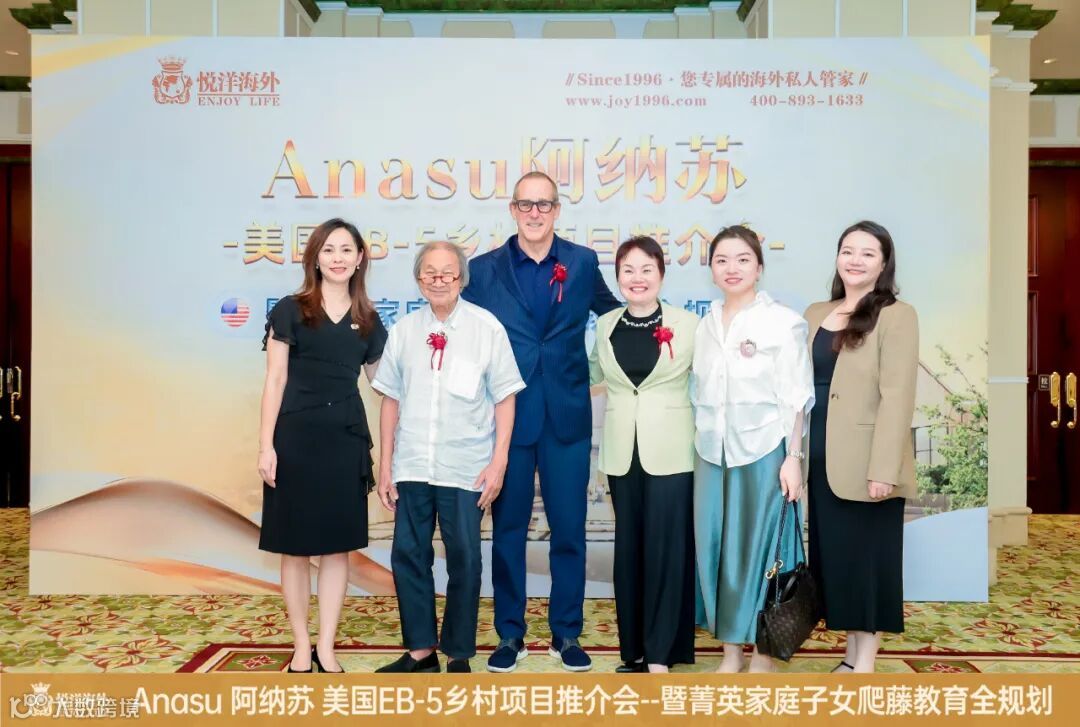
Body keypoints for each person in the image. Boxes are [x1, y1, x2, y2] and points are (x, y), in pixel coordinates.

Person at [462, 171, 620, 672]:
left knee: (569, 530)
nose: (535, 213)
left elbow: (613, 316)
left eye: (544, 204)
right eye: (526, 205)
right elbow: (464, 333)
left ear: (557, 210)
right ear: (512, 209)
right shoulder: (482, 270)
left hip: (567, 416)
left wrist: (660, 330)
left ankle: (566, 634)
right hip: (507, 421)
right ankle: (510, 634)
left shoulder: (581, 262)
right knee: (508, 531)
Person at [372, 241, 524, 674]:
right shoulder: (404, 330)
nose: (439, 281)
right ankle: (421, 650)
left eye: (448, 273)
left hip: (466, 467)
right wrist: (386, 465)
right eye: (430, 273)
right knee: (408, 556)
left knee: (466, 560)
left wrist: (498, 462)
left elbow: (505, 397)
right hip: (413, 464)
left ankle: (458, 652)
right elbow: (390, 399)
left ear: (462, 279)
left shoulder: (486, 328)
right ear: (419, 279)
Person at [257, 217, 386, 674]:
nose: (337, 258)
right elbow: (275, 379)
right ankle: (300, 645)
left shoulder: (368, 319)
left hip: (345, 441)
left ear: (360, 258)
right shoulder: (290, 310)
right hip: (294, 439)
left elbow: (384, 385)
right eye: (328, 249)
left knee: (336, 548)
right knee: (294, 548)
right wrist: (266, 445)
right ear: (315, 257)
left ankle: (326, 646)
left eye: (346, 250)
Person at [691, 224, 814, 673]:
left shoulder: (783, 322)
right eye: (722, 260)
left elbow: (797, 396)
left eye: (743, 259)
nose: (732, 268)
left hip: (763, 452)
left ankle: (763, 654)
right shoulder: (705, 325)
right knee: (716, 551)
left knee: (760, 554)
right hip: (711, 453)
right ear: (711, 269)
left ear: (759, 267)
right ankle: (730, 652)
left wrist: (793, 458)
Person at [803, 220, 919, 674]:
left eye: (868, 253)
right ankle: (850, 658)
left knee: (868, 563)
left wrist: (884, 468)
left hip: (869, 461)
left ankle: (864, 663)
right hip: (820, 459)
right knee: (838, 562)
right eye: (847, 250)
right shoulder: (816, 313)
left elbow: (898, 396)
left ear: (884, 263)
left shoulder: (897, 315)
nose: (855, 260)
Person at [588, 236, 699, 674]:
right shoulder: (605, 325)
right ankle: (634, 649)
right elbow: (590, 373)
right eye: (628, 270)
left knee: (667, 550)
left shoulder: (688, 324)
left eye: (646, 269)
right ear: (617, 278)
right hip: (622, 452)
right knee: (630, 550)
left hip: (672, 451)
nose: (637, 278)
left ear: (662, 275)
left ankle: (661, 653)